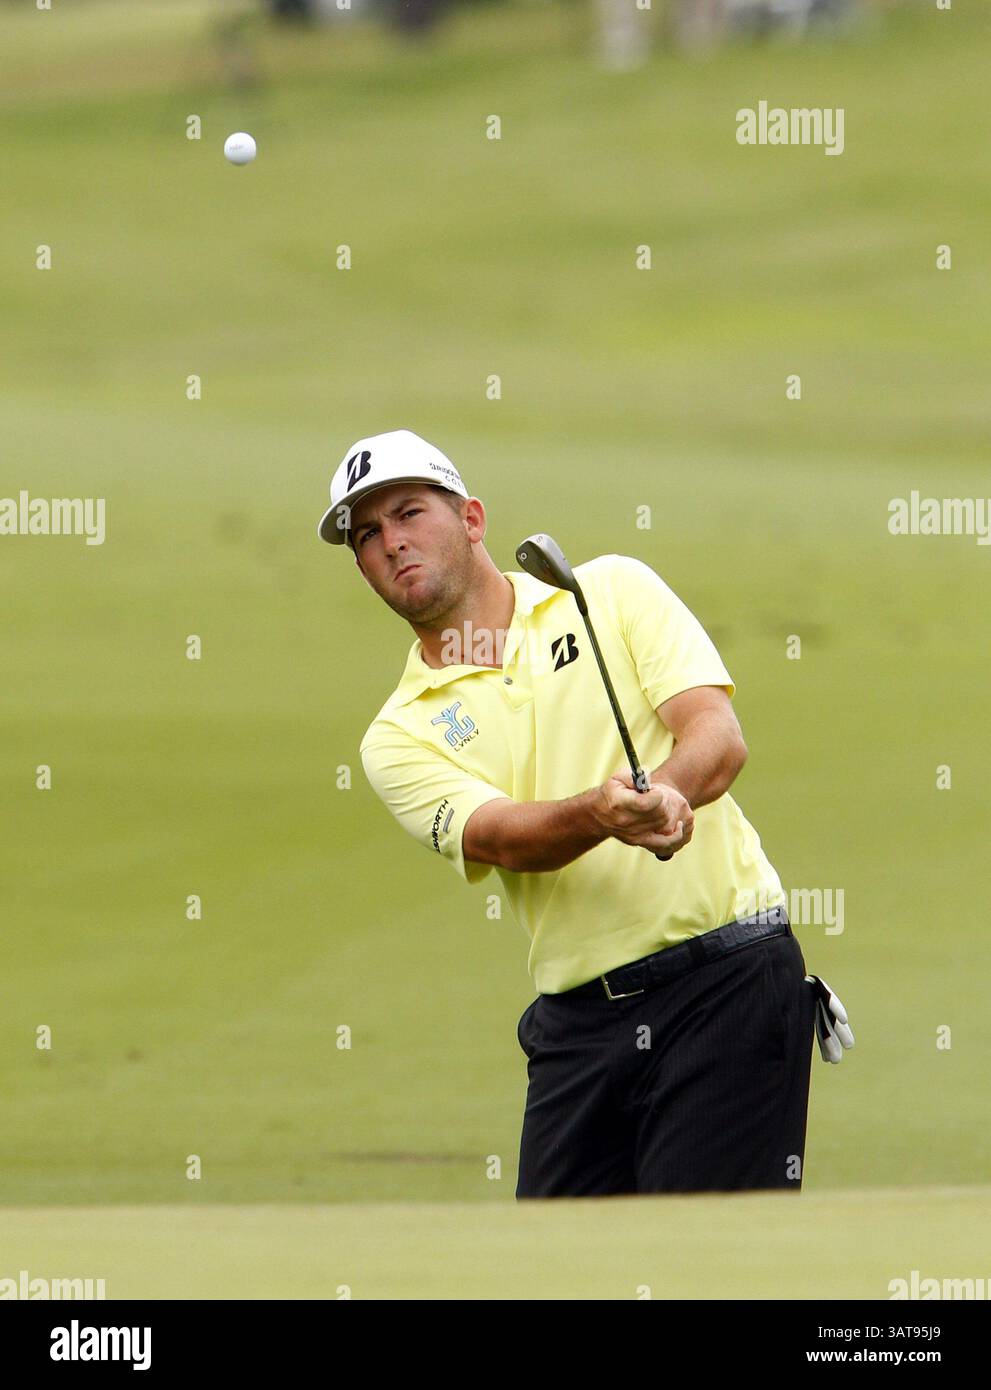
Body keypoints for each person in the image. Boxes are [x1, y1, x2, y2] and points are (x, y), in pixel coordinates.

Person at [317, 428, 846, 1197]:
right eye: (366, 536)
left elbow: (715, 736)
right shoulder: (397, 734)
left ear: (470, 518)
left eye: (407, 513)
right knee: (558, 1270)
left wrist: (664, 791)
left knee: (703, 1266)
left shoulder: (606, 591)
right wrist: (602, 814)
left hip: (726, 982)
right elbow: (501, 837)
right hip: (578, 1027)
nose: (391, 543)